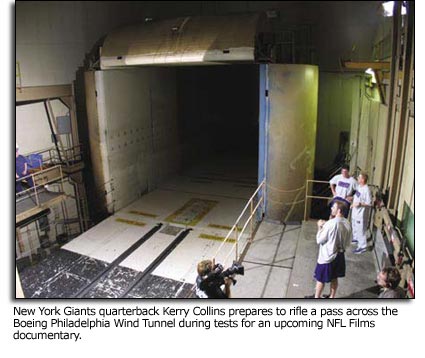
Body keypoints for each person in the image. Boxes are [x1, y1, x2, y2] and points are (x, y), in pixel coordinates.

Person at [307, 200, 351, 298]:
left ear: (339, 210)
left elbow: (319, 240)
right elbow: (348, 241)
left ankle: (317, 297)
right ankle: (332, 297)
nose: (331, 208)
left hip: (328, 256)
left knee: (320, 279)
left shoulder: (330, 224)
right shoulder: (347, 223)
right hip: (340, 255)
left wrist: (320, 227)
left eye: (333, 207)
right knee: (334, 277)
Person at [351, 172, 373, 254]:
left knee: (361, 230)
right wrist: (351, 199)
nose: (358, 179)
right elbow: (357, 196)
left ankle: (362, 246)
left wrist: (359, 204)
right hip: (355, 212)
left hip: (361, 214)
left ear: (363, 179)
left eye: (359, 178)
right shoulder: (359, 187)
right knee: (355, 227)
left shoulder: (366, 190)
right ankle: (357, 239)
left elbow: (369, 203)